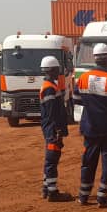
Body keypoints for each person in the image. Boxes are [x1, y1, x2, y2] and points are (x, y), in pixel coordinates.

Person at [72, 43, 107, 207]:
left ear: (94, 58)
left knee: (88, 161)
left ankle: (83, 196)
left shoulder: (83, 79)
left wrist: (93, 106)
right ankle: (102, 197)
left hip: (90, 127)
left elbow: (76, 100)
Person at [39, 55, 73, 202]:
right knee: (52, 159)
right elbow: (52, 113)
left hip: (51, 128)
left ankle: (46, 188)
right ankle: (52, 192)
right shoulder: (49, 88)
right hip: (52, 130)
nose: (59, 72)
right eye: (57, 69)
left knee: (51, 158)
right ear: (52, 70)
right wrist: (57, 131)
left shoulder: (51, 86)